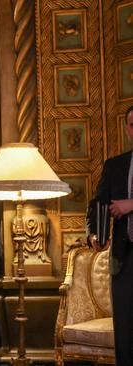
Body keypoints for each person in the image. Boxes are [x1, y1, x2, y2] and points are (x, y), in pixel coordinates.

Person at [87, 105, 133, 365]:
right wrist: (94, 234)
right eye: (132, 125)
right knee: (125, 336)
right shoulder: (115, 166)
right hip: (123, 261)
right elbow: (97, 205)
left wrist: (131, 204)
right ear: (128, 129)